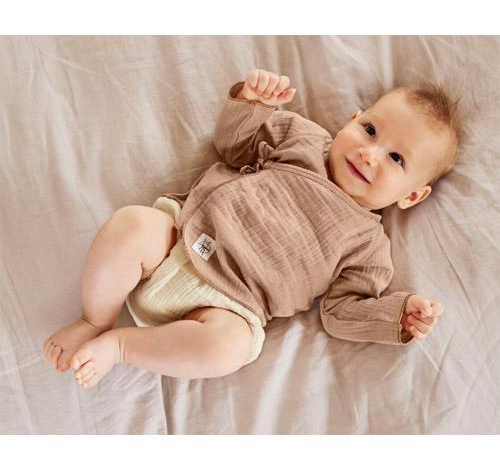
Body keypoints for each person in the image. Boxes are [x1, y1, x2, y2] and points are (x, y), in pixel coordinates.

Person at [43, 69, 460, 388]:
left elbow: (340, 312)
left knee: (228, 349)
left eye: (396, 159)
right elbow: (233, 145)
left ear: (411, 196)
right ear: (352, 119)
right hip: (180, 241)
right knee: (132, 224)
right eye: (369, 131)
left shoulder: (368, 247)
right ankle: (95, 319)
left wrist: (397, 315)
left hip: (228, 308)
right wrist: (251, 103)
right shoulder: (301, 138)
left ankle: (121, 346)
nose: (370, 154)